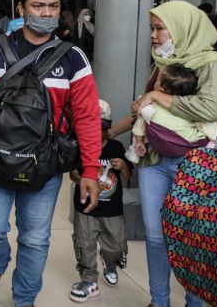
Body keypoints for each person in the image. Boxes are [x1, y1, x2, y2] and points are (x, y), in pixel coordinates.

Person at [0, 0, 101, 307]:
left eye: (53, 7)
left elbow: (87, 116)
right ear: (22, 8)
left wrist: (90, 167)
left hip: (45, 165)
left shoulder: (73, 57)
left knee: (35, 238)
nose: (46, 13)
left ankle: (24, 299)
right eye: (38, 6)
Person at [128, 0, 217, 307]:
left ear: (183, 28)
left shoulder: (213, 63)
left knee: (192, 239)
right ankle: (159, 302)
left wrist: (157, 95)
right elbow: (147, 107)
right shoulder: (161, 61)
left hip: (195, 165)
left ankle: (193, 303)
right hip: (154, 160)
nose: (154, 36)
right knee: (156, 237)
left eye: (160, 28)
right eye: (152, 29)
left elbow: (209, 108)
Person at [69, 100, 133, 303]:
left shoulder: (116, 147)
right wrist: (85, 180)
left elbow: (128, 175)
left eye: (101, 129)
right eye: (90, 129)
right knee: (84, 244)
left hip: (112, 210)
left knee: (115, 245)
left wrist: (122, 165)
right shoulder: (80, 147)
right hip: (85, 208)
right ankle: (89, 281)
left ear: (107, 129)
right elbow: (72, 174)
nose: (96, 134)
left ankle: (110, 262)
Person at [132, 64, 217, 157]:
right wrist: (139, 142)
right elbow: (211, 129)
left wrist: (139, 141)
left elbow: (139, 125)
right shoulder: (150, 104)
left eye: (157, 79)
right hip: (187, 152)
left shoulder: (184, 108)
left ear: (161, 89)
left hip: (192, 149)